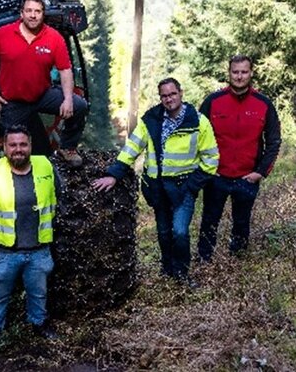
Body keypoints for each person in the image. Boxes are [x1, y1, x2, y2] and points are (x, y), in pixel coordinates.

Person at [92, 78, 219, 285]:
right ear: (160, 98)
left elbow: (211, 159)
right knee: (163, 231)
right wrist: (114, 173)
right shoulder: (151, 119)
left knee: (179, 231)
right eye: (164, 96)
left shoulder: (197, 122)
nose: (169, 99)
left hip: (184, 187)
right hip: (157, 187)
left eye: (172, 94)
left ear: (181, 93)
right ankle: (167, 269)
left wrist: (192, 186)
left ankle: (182, 273)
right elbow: (132, 148)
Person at [0, 0, 88, 167]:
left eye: (37, 11)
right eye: (29, 10)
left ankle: (67, 148)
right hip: (13, 102)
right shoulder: (3, 34)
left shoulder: (53, 37)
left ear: (43, 14)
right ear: (21, 13)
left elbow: (65, 70)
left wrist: (67, 99)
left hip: (42, 94)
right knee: (17, 149)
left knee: (79, 105)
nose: (33, 15)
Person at [0, 125, 60, 340]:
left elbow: (57, 194)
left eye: (23, 144)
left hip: (38, 249)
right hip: (3, 253)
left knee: (39, 293)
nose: (18, 149)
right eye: (12, 145)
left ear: (30, 145)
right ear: (4, 147)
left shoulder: (46, 166)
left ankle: (38, 324)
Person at [197, 55, 281, 261]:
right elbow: (196, 137)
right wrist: (207, 169)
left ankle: (237, 264)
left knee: (241, 223)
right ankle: (204, 261)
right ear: (229, 73)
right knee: (209, 220)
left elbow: (274, 141)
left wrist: (260, 172)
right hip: (217, 176)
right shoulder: (212, 101)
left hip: (247, 176)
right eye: (235, 72)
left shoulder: (264, 104)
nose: (240, 76)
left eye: (244, 72)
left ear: (251, 73)